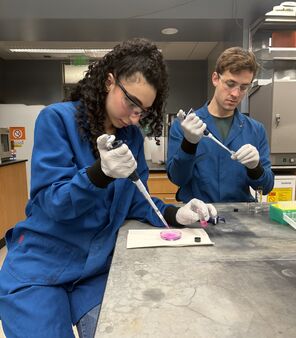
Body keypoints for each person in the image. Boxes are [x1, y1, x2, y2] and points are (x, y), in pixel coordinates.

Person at [0, 38, 217, 338]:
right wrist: (98, 174)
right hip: (42, 267)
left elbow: (136, 199)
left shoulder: (132, 138)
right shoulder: (57, 120)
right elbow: (52, 203)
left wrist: (176, 214)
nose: (134, 117)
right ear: (109, 81)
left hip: (94, 271)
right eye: (131, 102)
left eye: (143, 110)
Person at [167, 47, 274, 203]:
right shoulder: (185, 126)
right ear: (215, 78)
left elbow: (266, 188)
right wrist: (189, 144)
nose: (236, 94)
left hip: (241, 217)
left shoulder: (255, 130)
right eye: (230, 84)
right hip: (198, 216)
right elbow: (178, 179)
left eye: (243, 87)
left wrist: (255, 168)